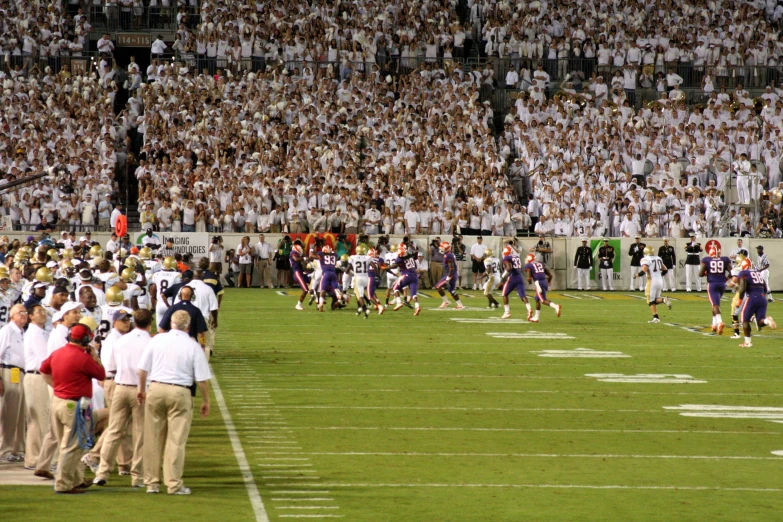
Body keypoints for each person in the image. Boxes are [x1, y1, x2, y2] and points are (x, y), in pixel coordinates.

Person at [138, 310, 211, 495]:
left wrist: (141, 389)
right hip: (180, 391)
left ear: (171, 323)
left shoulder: (157, 340)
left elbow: (142, 369)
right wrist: (206, 400)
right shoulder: (192, 345)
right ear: (188, 326)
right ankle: (173, 483)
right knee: (176, 441)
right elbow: (202, 379)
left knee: (152, 438)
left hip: (155, 388)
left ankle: (151, 483)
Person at [39, 322, 105, 494]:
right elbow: (101, 374)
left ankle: (76, 479)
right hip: (74, 405)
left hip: (58, 401)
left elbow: (43, 370)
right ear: (84, 339)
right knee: (73, 446)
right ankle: (63, 484)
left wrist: (56, 386)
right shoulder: (82, 358)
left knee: (66, 444)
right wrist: (95, 356)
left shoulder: (57, 353)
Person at [93, 309, 153, 487]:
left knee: (114, 430)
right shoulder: (150, 342)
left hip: (120, 387)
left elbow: (116, 364)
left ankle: (102, 472)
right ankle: (137, 476)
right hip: (139, 389)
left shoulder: (122, 340)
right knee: (140, 432)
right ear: (150, 323)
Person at [0, 304, 29, 461]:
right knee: (9, 412)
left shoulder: (22, 332)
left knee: (20, 413)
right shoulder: (7, 330)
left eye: (25, 312)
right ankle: (4, 450)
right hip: (9, 371)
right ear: (12, 316)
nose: (24, 315)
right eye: (20, 312)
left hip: (21, 373)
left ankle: (18, 449)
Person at [23, 304, 50, 469]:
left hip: (38, 376)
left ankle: (34, 458)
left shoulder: (40, 332)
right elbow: (45, 358)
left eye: (44, 311)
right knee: (40, 419)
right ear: (31, 316)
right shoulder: (34, 333)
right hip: (36, 376)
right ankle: (36, 459)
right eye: (39, 312)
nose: (43, 314)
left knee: (38, 420)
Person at [736, 263, 777, 348]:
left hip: (752, 298)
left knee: (744, 320)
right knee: (760, 322)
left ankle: (748, 342)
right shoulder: (758, 273)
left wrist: (739, 300)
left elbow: (742, 288)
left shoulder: (744, 273)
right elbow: (765, 288)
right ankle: (767, 321)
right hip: (762, 298)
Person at [699, 245, 731, 334]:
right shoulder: (724, 259)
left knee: (715, 305)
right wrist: (726, 279)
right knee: (715, 304)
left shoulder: (706, 260)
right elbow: (732, 272)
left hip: (712, 284)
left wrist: (706, 273)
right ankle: (714, 324)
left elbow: (700, 274)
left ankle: (720, 322)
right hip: (722, 284)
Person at [524, 253, 562, 322]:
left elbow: (529, 278)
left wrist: (530, 283)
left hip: (538, 283)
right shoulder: (540, 263)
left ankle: (556, 306)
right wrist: (548, 283)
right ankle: (536, 317)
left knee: (543, 300)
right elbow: (550, 275)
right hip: (544, 281)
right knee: (537, 299)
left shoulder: (528, 265)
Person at [639, 246, 672, 323]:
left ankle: (656, 318)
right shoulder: (658, 258)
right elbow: (665, 269)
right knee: (654, 300)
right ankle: (664, 300)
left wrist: (637, 275)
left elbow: (644, 270)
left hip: (652, 281)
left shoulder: (645, 259)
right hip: (660, 281)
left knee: (650, 301)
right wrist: (659, 276)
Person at [499, 245, 531, 319]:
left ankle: (507, 312)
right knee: (523, 296)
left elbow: (508, 268)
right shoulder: (516, 257)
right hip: (520, 277)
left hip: (512, 278)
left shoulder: (506, 258)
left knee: (504, 294)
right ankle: (529, 310)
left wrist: (503, 277)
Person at [391, 243, 421, 316]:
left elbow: (394, 266)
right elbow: (415, 265)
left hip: (406, 275)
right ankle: (417, 307)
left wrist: (386, 267)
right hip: (414, 276)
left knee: (395, 287)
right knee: (413, 293)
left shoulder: (399, 258)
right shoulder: (410, 256)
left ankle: (399, 302)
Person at [435, 242, 464, 310]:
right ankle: (460, 305)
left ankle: (446, 301)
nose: (441, 249)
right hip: (453, 274)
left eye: (442, 247)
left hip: (451, 275)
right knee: (451, 290)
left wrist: (448, 278)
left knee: (438, 286)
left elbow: (451, 267)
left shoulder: (447, 255)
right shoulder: (449, 254)